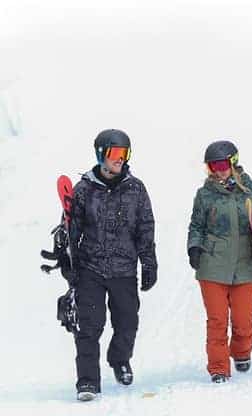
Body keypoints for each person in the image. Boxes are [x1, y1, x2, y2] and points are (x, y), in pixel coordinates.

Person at [68, 129, 158, 400]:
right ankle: (87, 381)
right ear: (101, 154)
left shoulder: (135, 188)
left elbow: (145, 227)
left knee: (128, 322)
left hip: (124, 268)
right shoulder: (83, 189)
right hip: (90, 269)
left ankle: (119, 359)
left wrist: (148, 262)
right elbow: (72, 228)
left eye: (125, 153)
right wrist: (68, 264)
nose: (121, 159)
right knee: (89, 326)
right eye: (115, 153)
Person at [187, 140, 252, 383]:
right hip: (212, 264)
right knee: (217, 320)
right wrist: (194, 247)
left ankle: (241, 351)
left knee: (243, 320)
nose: (219, 170)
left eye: (223, 164)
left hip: (245, 262)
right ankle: (218, 367)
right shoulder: (204, 195)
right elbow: (196, 225)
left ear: (233, 162)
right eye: (213, 166)